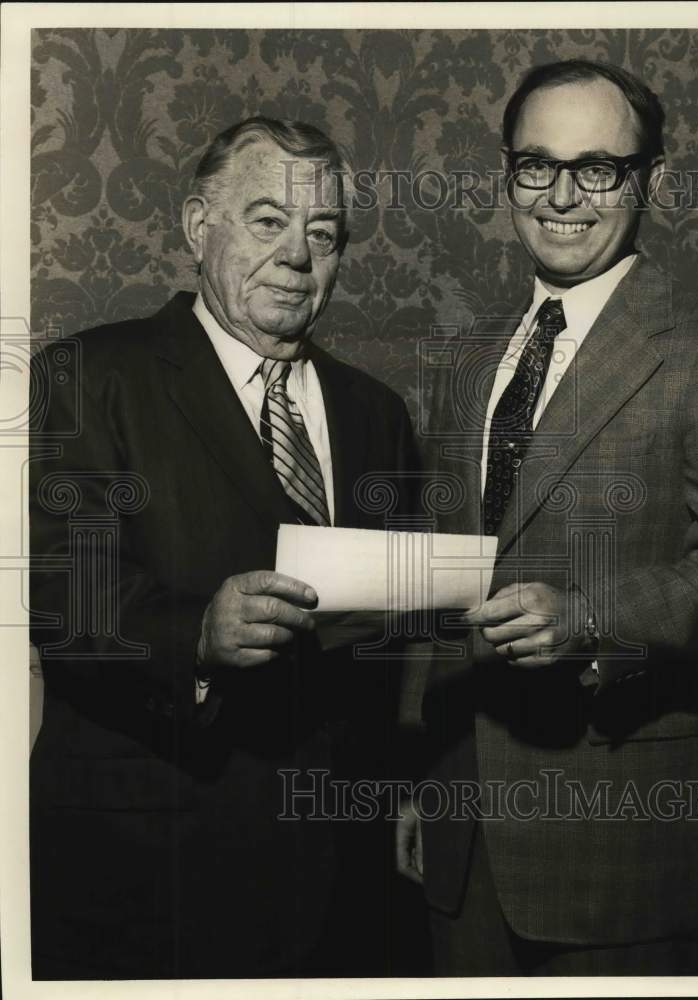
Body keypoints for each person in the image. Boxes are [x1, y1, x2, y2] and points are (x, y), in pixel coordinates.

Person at [396, 59, 698, 976]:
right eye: (536, 164)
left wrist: (592, 616)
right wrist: (413, 778)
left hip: (620, 838)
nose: (562, 195)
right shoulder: (471, 354)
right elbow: (437, 585)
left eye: (597, 168)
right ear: (507, 173)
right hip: (461, 827)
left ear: (648, 180)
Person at [29, 116, 418, 979]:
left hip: (334, 868)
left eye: (323, 233)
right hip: (147, 866)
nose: (297, 256)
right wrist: (197, 636)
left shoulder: (374, 413)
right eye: (268, 220)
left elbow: (393, 644)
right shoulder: (93, 376)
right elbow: (63, 596)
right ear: (198, 228)